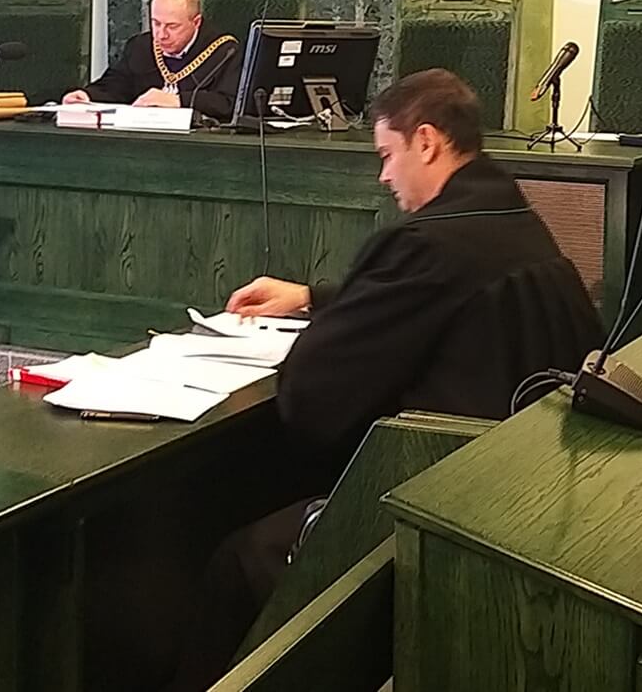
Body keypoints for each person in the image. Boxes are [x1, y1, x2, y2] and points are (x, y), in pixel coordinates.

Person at [163, 69, 603, 691]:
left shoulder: (426, 242)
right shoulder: (509, 216)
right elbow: (442, 299)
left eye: (386, 155)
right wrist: (314, 297)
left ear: (426, 141)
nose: (384, 177)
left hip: (438, 508)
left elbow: (312, 398)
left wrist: (325, 333)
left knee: (240, 559)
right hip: (526, 491)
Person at [63, 0, 240, 118]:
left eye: (172, 26)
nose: (161, 35)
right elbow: (116, 85)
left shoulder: (225, 52)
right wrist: (87, 96)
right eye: (156, 23)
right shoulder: (141, 46)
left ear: (196, 22)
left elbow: (230, 103)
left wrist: (178, 100)